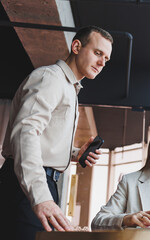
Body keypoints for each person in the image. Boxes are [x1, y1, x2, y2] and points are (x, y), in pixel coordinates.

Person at [0, 26, 113, 240]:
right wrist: (41, 197)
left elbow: (42, 138)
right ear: (76, 46)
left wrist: (74, 153)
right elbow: (26, 133)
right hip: (27, 186)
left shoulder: (69, 87)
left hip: (42, 184)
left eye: (106, 59)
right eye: (98, 53)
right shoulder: (50, 78)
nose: (102, 63)